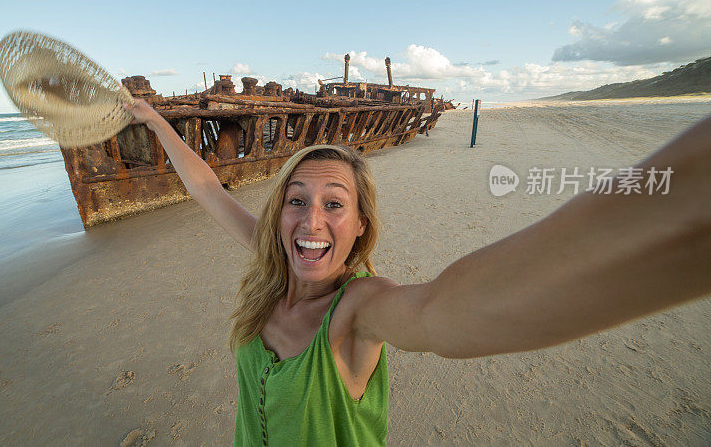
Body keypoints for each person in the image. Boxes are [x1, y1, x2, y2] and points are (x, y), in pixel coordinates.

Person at [125, 99, 711, 445]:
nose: (311, 220)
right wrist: (153, 119)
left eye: (334, 204)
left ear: (361, 227)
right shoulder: (273, 264)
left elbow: (441, 313)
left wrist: (684, 216)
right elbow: (206, 186)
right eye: (296, 200)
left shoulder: (359, 311)